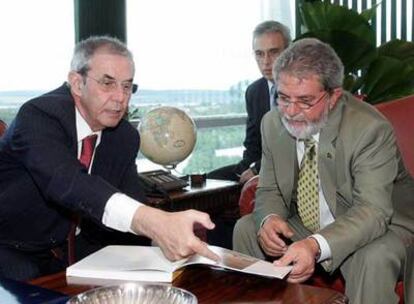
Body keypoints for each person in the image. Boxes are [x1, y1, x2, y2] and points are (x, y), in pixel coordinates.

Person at [0, 36, 218, 281]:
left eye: (127, 86)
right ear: (76, 83)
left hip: (75, 251)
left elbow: (132, 202)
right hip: (12, 247)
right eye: (107, 83)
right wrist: (153, 222)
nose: (120, 98)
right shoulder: (39, 116)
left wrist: (165, 239)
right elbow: (67, 183)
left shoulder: (123, 136)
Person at [233, 38, 414, 304]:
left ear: (333, 97)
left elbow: (373, 211)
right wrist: (268, 219)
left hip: (382, 225)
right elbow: (269, 188)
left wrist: (315, 246)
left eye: (305, 101)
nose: (291, 112)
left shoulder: (368, 129)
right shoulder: (272, 124)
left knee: (372, 256)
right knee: (247, 228)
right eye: (283, 98)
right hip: (310, 221)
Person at [207, 20, 291, 184]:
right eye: (259, 54)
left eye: (273, 52)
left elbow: (294, 145)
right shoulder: (254, 91)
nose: (266, 62)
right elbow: (253, 145)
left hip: (291, 169)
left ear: (288, 52)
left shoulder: (302, 90)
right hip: (259, 166)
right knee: (209, 182)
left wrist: (256, 169)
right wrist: (246, 169)